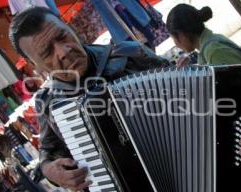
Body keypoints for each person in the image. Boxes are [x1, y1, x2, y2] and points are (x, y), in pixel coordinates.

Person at [9, 7, 169, 191]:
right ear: (33, 64)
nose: (63, 52)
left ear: (71, 28)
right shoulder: (47, 102)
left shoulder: (131, 54)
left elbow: (181, 86)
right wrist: (49, 170)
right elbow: (49, 150)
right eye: (47, 52)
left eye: (62, 36)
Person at [166, 4, 241, 191]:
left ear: (181, 35)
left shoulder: (214, 51)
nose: (176, 43)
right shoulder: (208, 48)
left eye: (174, 37)